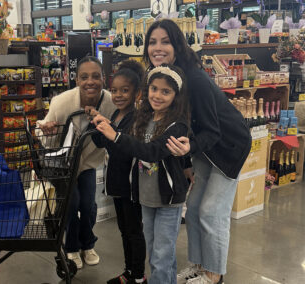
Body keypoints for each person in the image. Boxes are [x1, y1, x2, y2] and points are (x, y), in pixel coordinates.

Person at [143, 19, 251, 284]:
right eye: (152, 42)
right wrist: (188, 161)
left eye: (165, 41)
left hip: (229, 146)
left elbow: (212, 130)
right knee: (192, 209)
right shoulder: (166, 77)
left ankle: (214, 275)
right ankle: (199, 265)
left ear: (177, 44)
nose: (158, 48)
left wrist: (190, 149)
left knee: (212, 211)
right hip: (204, 147)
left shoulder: (196, 79)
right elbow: (184, 125)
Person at [93, 64, 191, 284]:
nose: (157, 95)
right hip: (146, 198)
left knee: (160, 258)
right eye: (154, 89)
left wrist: (115, 136)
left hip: (168, 200)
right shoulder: (144, 118)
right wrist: (105, 129)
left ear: (176, 95)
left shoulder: (177, 126)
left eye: (166, 91)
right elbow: (131, 148)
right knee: (159, 253)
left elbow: (152, 152)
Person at [37, 56, 116, 269]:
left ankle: (87, 244)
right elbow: (45, 139)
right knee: (71, 205)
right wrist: (49, 131)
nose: (90, 81)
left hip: (89, 162)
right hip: (63, 165)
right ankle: (71, 248)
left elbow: (114, 132)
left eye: (95, 76)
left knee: (88, 206)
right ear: (76, 80)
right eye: (84, 77)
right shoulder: (61, 102)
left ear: (103, 79)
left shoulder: (109, 102)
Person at [89, 60, 147, 284]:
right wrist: (96, 124)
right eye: (114, 90)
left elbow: (123, 148)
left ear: (137, 93)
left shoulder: (136, 118)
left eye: (125, 90)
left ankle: (139, 277)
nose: (118, 95)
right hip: (117, 183)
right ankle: (129, 271)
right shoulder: (116, 115)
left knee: (134, 231)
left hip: (131, 185)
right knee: (124, 230)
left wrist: (109, 131)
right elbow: (103, 143)